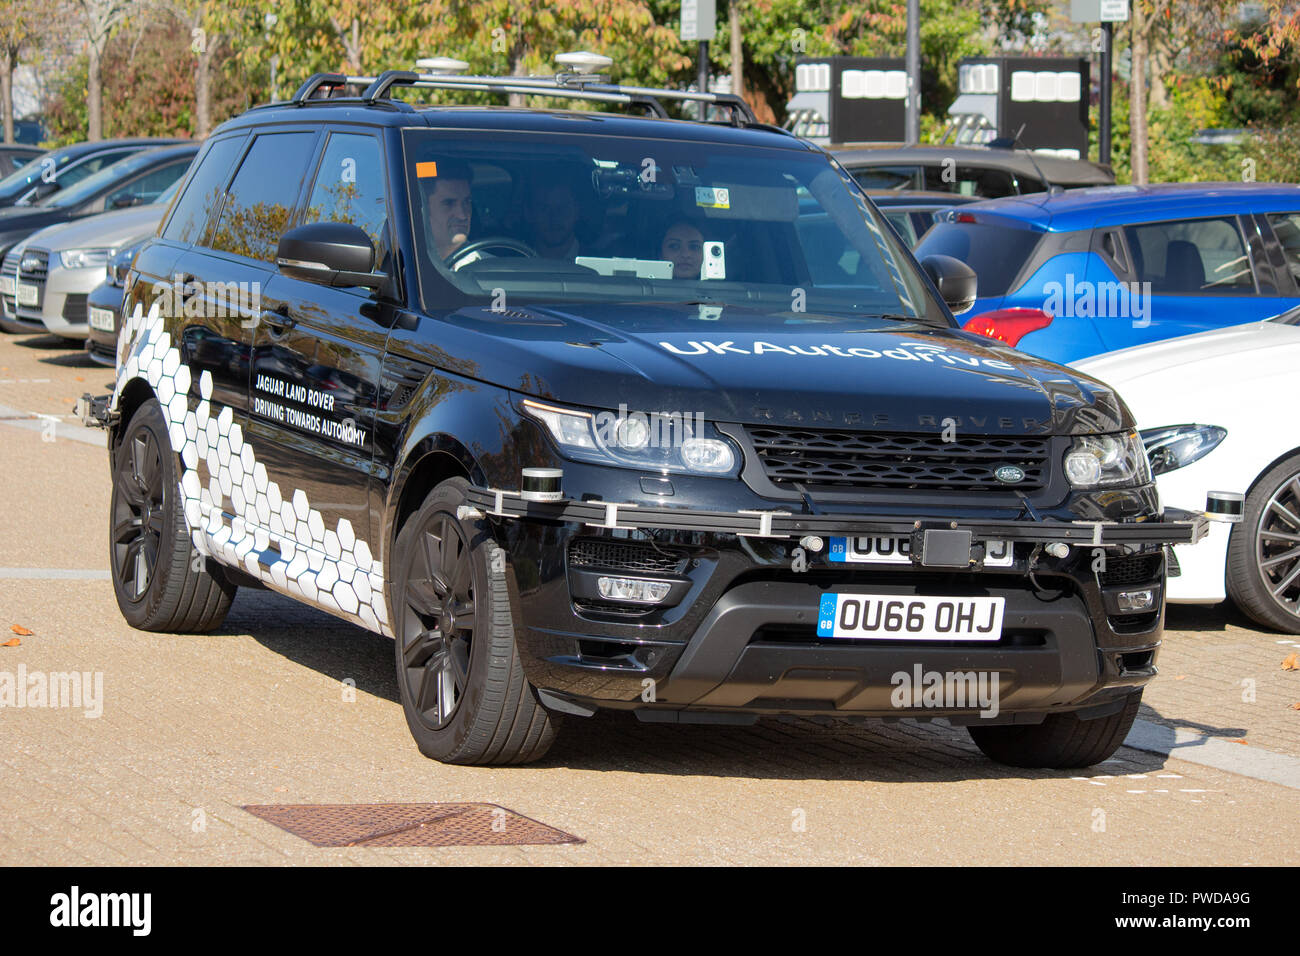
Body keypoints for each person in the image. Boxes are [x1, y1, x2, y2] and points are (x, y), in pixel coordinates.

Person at [422, 160, 474, 260]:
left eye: (467, 202)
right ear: (425, 211)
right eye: (448, 203)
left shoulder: (493, 270)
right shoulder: (406, 268)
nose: (462, 215)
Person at [523, 179, 584, 259]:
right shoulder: (512, 261)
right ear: (529, 213)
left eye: (562, 208)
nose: (554, 217)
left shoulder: (600, 263)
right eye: (544, 208)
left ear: (577, 212)